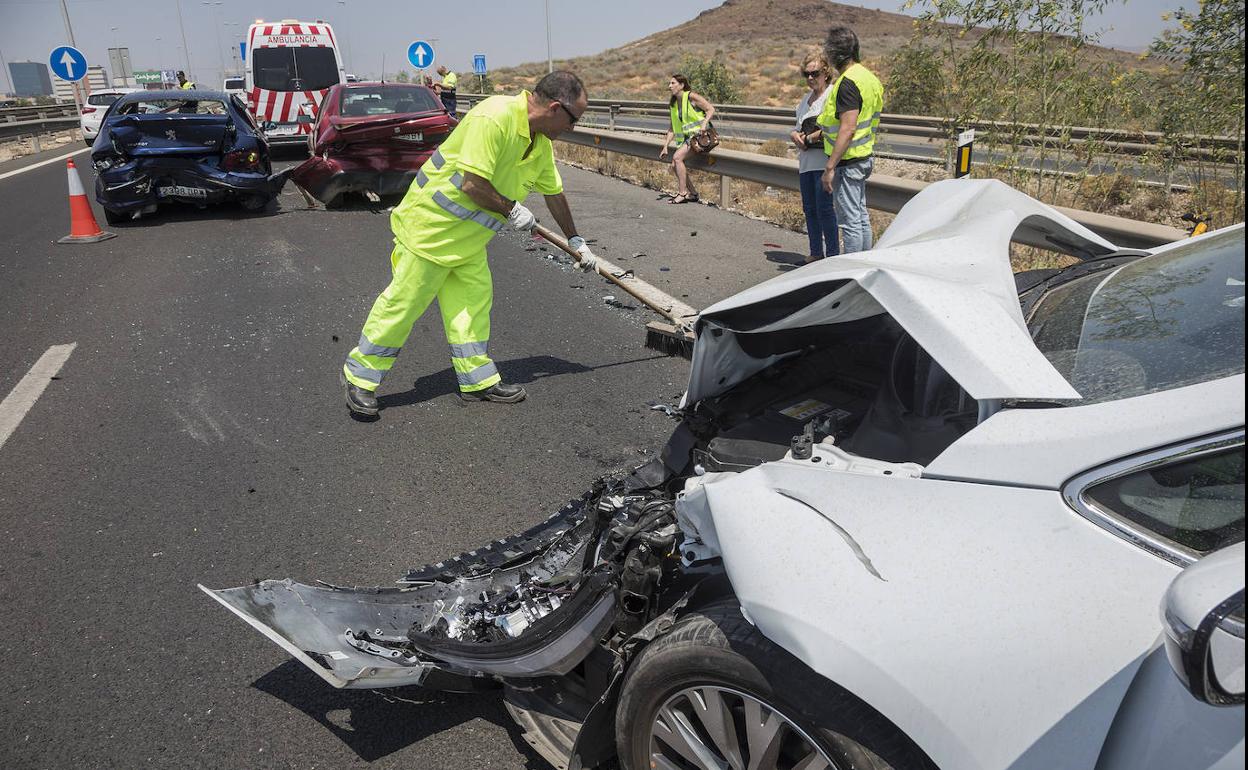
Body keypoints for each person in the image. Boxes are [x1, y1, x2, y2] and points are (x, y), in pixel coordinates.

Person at [340, 71, 599, 416]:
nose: (573, 128)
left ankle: (476, 381)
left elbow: (553, 193)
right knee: (403, 306)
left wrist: (575, 239)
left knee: (472, 307)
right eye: (574, 119)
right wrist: (512, 210)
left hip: (468, 241)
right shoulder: (494, 118)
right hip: (430, 231)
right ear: (555, 108)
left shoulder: (539, 145)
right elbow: (472, 185)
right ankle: (361, 378)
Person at [818, 26, 883, 254]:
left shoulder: (848, 82)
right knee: (861, 218)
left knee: (850, 223)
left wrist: (829, 167)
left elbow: (848, 128)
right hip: (862, 157)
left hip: (847, 162)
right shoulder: (869, 78)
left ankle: (850, 276)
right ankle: (863, 267)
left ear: (836, 53)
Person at [791, 51, 839, 263]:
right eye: (806, 74)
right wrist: (795, 135)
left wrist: (810, 138)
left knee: (825, 209)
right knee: (809, 209)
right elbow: (796, 127)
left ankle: (832, 256)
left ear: (826, 73)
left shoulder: (832, 94)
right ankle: (815, 253)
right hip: (806, 162)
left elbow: (834, 126)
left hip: (824, 160)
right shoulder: (804, 100)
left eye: (815, 73)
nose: (810, 78)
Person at [659, 74, 715, 204]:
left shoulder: (691, 97)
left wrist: (704, 123)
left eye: (673, 83)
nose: (669, 86)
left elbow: (711, 109)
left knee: (677, 158)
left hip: (700, 138)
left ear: (682, 85)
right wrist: (666, 145)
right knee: (675, 165)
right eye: (669, 83)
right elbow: (672, 127)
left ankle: (682, 193)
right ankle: (693, 193)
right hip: (688, 140)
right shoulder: (673, 104)